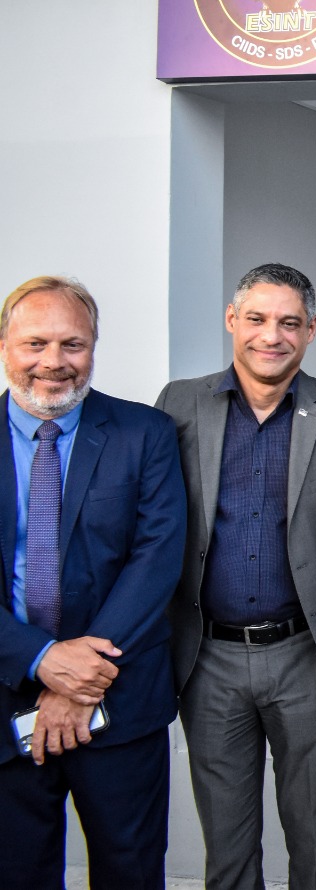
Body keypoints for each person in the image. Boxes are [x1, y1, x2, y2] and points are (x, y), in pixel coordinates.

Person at [158, 263, 316, 890]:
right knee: (227, 845)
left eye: (289, 322)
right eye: (256, 319)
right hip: (209, 657)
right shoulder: (179, 403)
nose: (271, 335)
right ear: (232, 320)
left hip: (307, 654)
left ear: (311, 330)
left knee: (315, 834)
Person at [0, 276, 186, 887]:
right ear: (4, 345)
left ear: (94, 347)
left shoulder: (145, 433)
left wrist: (79, 677)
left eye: (72, 344)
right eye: (35, 343)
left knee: (130, 872)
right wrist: (42, 661)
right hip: (5, 697)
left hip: (121, 698)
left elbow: (156, 559)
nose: (53, 361)